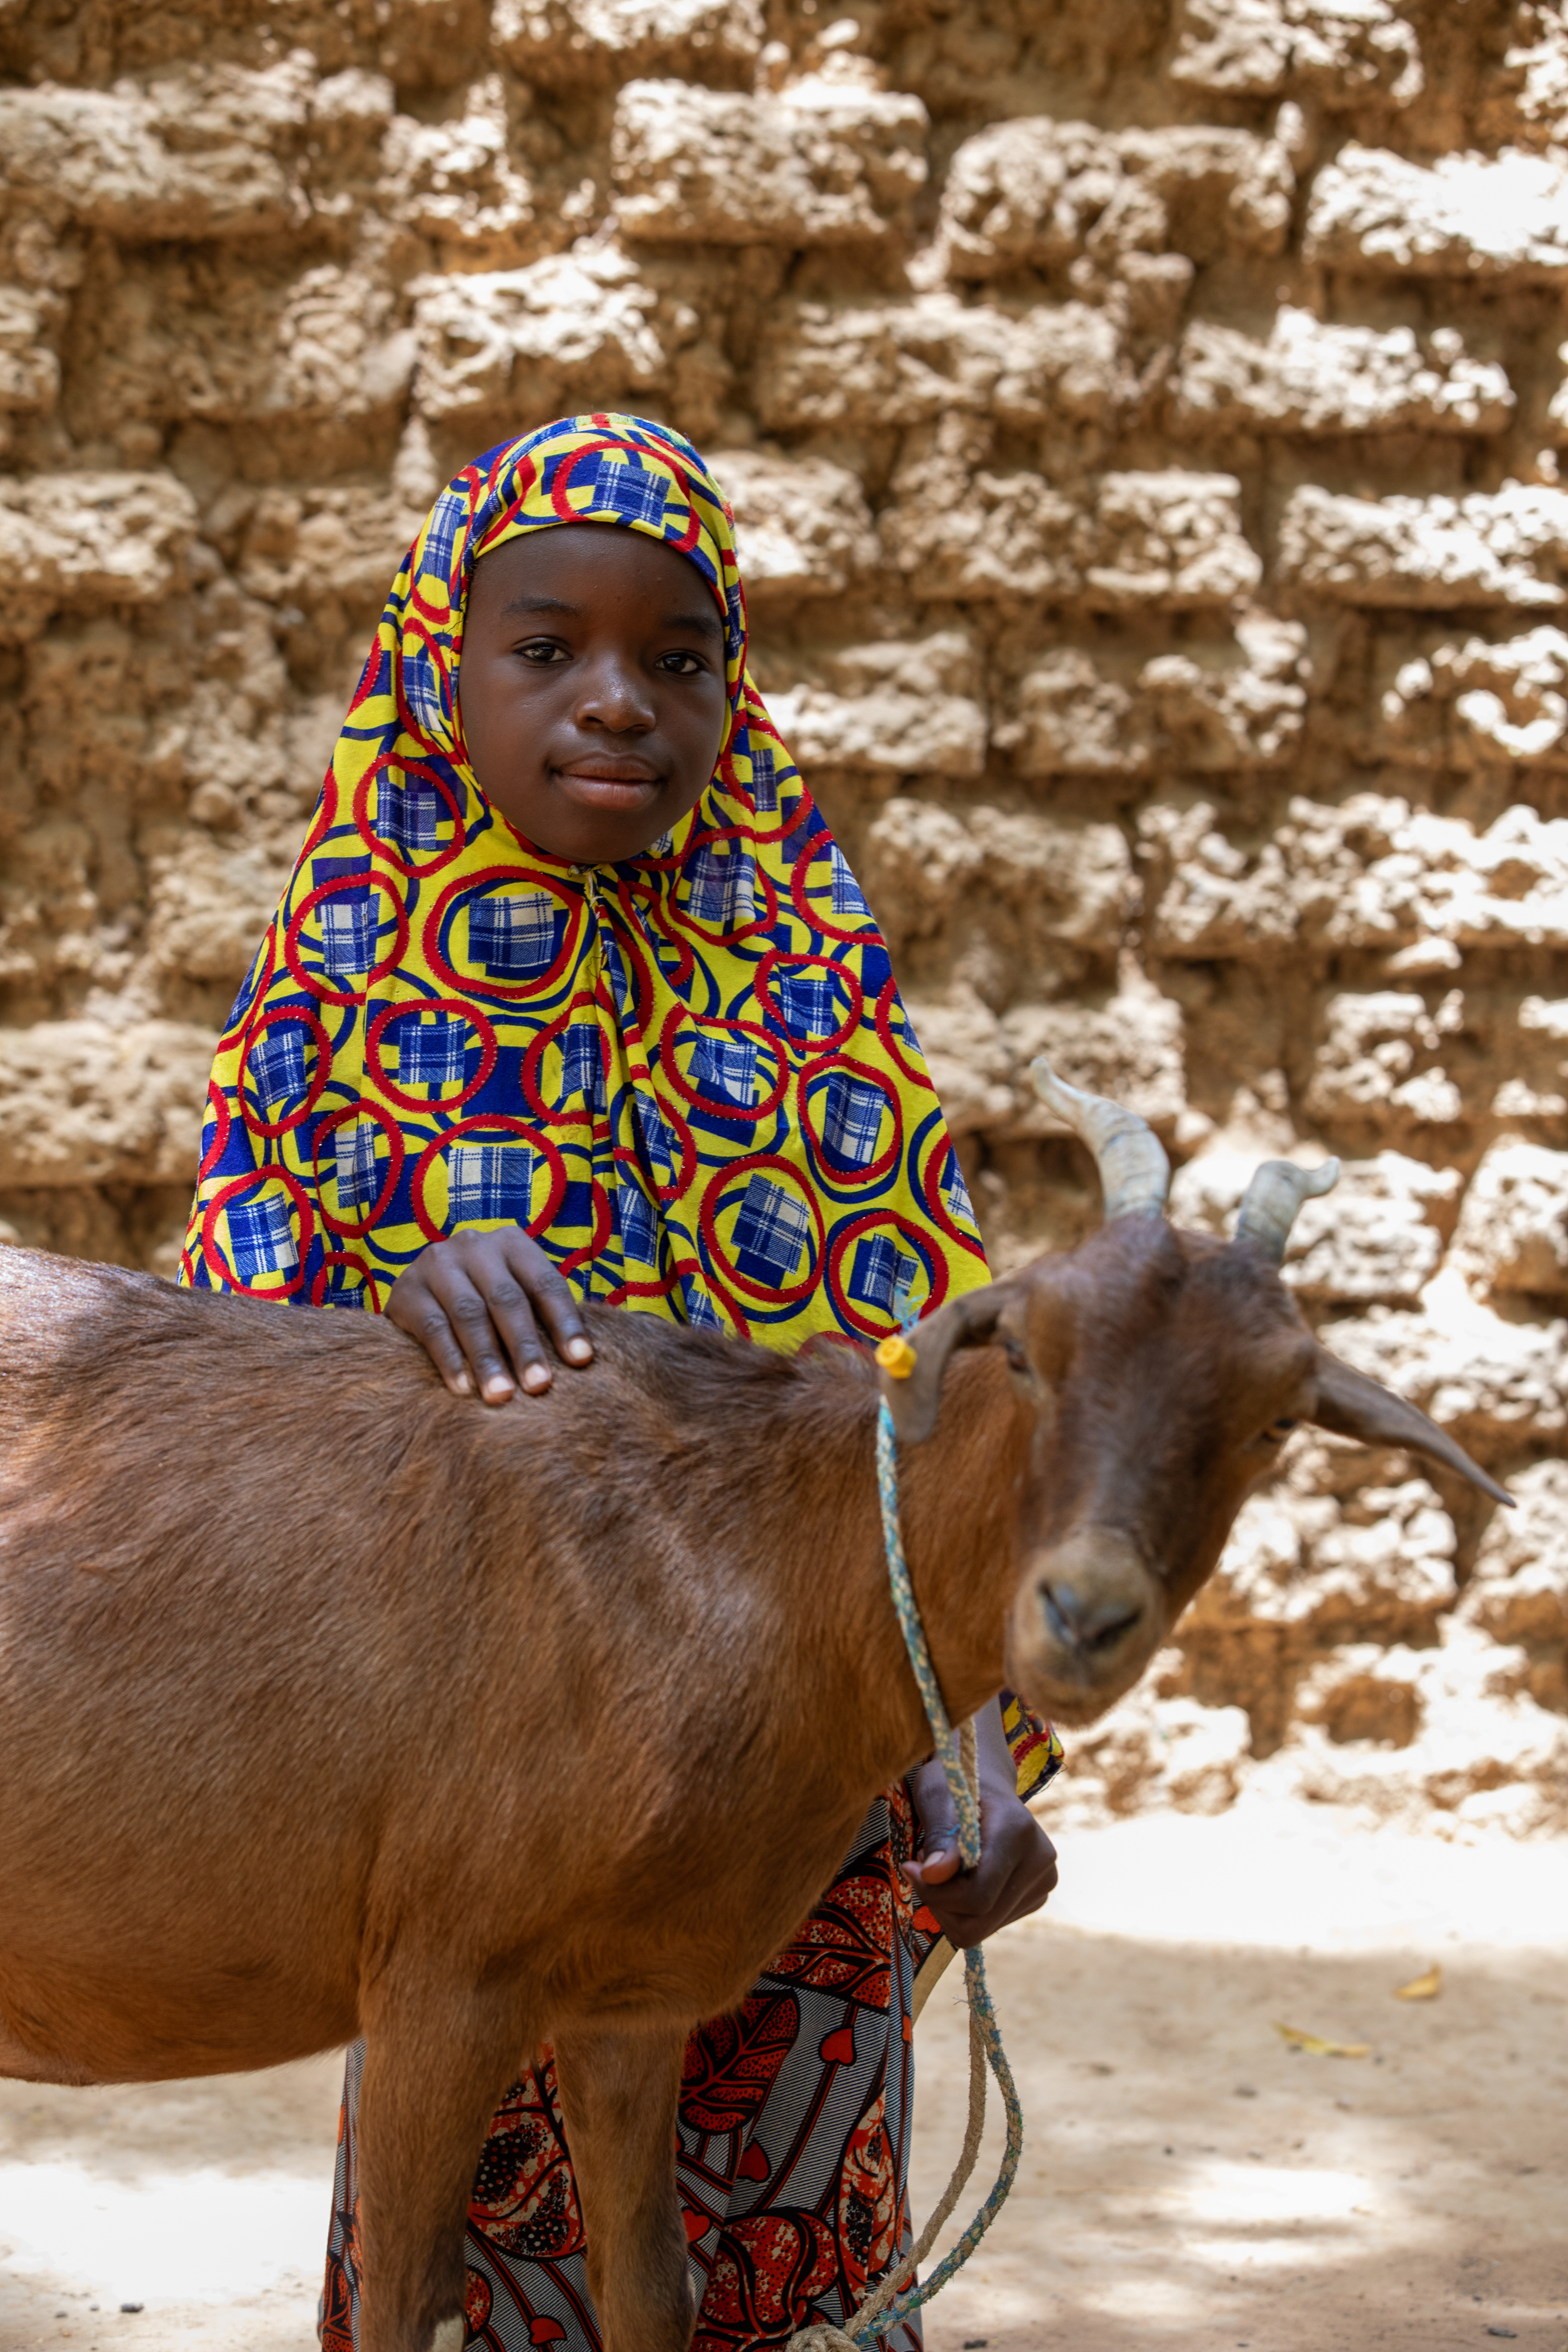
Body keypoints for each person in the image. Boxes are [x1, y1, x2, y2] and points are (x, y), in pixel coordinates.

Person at [179, 414, 1061, 2352]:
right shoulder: (345, 1007)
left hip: (797, 1831)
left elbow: (946, 1462)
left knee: (772, 2256)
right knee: (463, 2250)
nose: (617, 706)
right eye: (544, 648)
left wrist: (976, 1752)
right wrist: (385, 1295)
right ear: (437, 665)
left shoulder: (804, 1004)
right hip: (472, 1811)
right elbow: (221, 1393)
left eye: (677, 660)